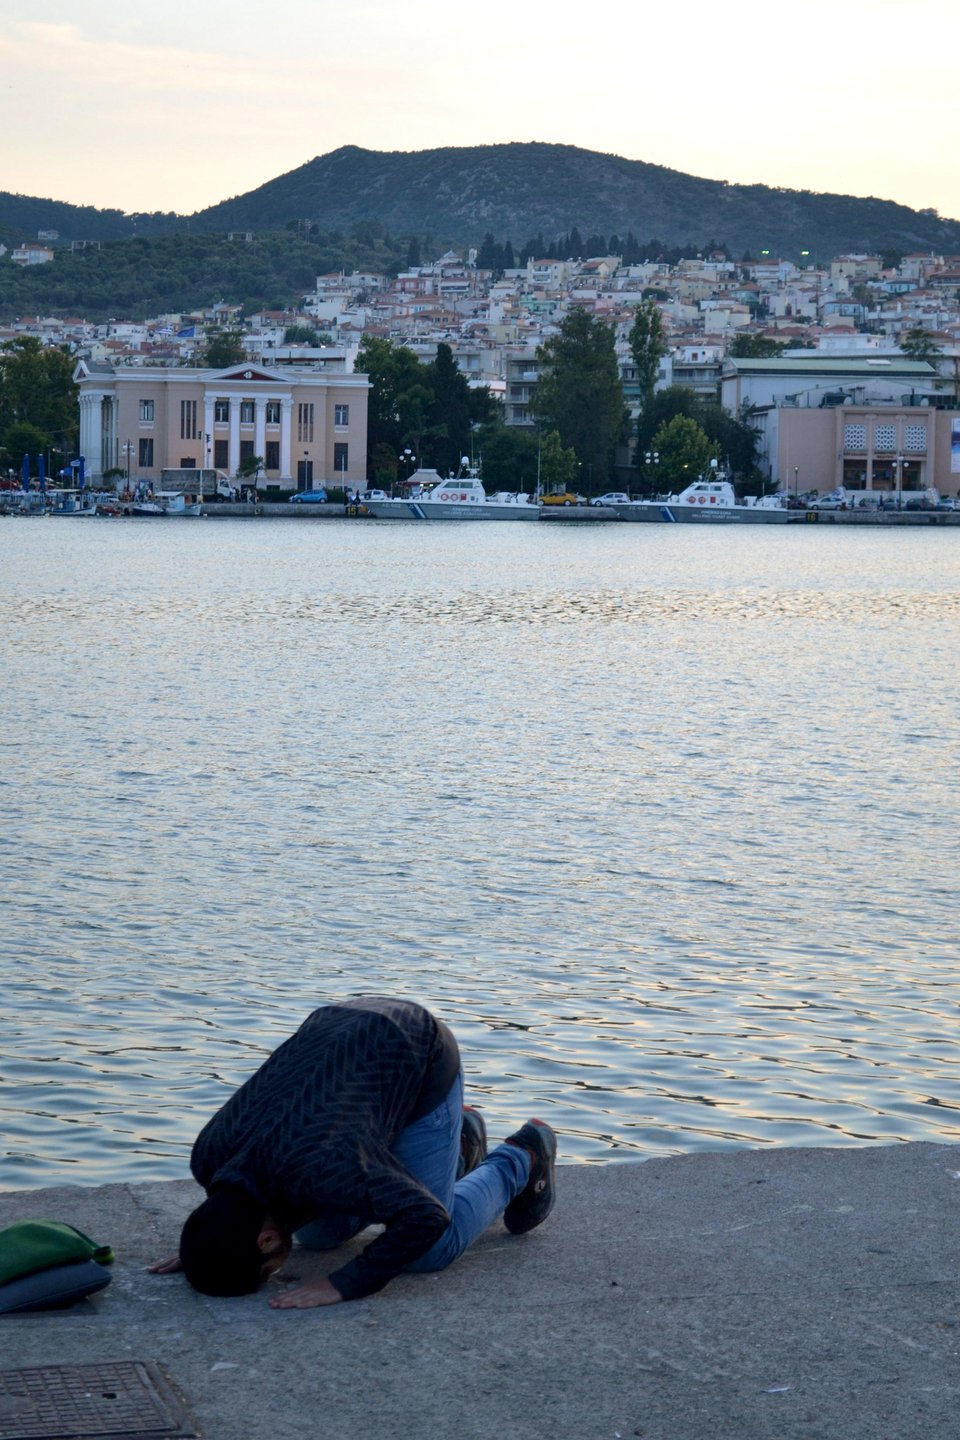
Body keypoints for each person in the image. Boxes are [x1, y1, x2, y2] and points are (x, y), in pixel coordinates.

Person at [149, 997, 556, 1308]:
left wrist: (346, 1283)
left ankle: (521, 1158)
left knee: (428, 1249)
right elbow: (227, 1215)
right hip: (345, 1036)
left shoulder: (324, 1166)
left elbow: (424, 1217)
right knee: (321, 1234)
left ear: (266, 1239)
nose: (277, 1273)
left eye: (269, 1272)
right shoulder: (210, 1157)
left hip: (416, 1051)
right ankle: (458, 1143)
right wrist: (209, 1250)